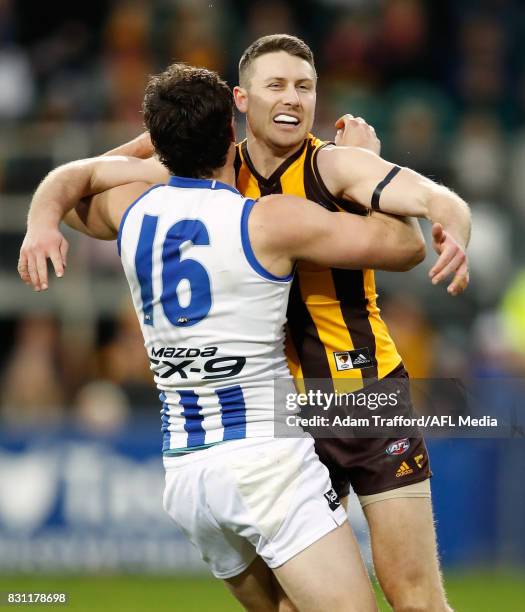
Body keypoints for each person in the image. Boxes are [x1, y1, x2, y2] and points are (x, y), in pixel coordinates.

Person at [19, 36, 470, 612]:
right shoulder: (231, 185)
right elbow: (404, 243)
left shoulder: (329, 162)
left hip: (365, 397)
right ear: (240, 101)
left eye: (304, 86)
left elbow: (437, 203)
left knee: (416, 599)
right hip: (282, 419)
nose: (293, 99)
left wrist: (445, 220)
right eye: (276, 86)